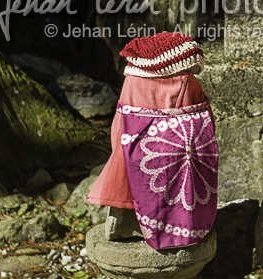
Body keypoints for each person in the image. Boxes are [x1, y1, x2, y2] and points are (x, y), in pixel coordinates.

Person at [87, 29, 218, 248]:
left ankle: (122, 225)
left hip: (131, 152)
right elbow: (203, 128)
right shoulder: (186, 82)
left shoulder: (132, 81)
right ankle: (178, 230)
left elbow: (118, 125)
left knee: (126, 171)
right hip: (172, 158)